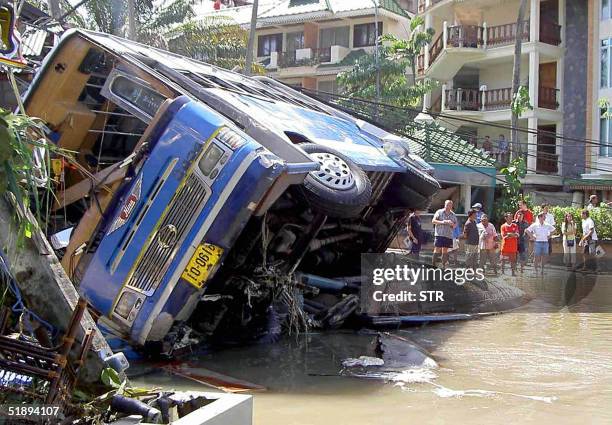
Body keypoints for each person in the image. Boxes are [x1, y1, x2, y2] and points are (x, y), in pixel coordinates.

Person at [431, 200, 458, 268]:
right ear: (444, 205)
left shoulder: (453, 214)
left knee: (445, 250)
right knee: (437, 248)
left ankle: (443, 266)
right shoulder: (439, 212)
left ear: (452, 206)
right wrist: (443, 222)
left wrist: (452, 224)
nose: (448, 206)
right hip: (440, 234)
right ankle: (433, 265)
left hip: (448, 235)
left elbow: (455, 225)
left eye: (450, 205)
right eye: (447, 205)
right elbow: (433, 221)